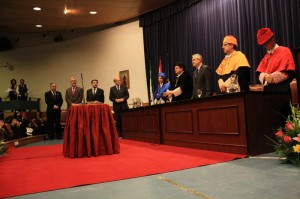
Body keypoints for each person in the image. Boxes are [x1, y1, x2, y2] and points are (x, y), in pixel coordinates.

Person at [256, 28, 296, 93]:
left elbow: (290, 72)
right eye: (264, 44)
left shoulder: (285, 51)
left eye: (266, 43)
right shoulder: (266, 57)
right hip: (268, 91)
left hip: (282, 89)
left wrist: (273, 78)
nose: (265, 46)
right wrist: (265, 77)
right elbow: (259, 73)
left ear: (272, 39)